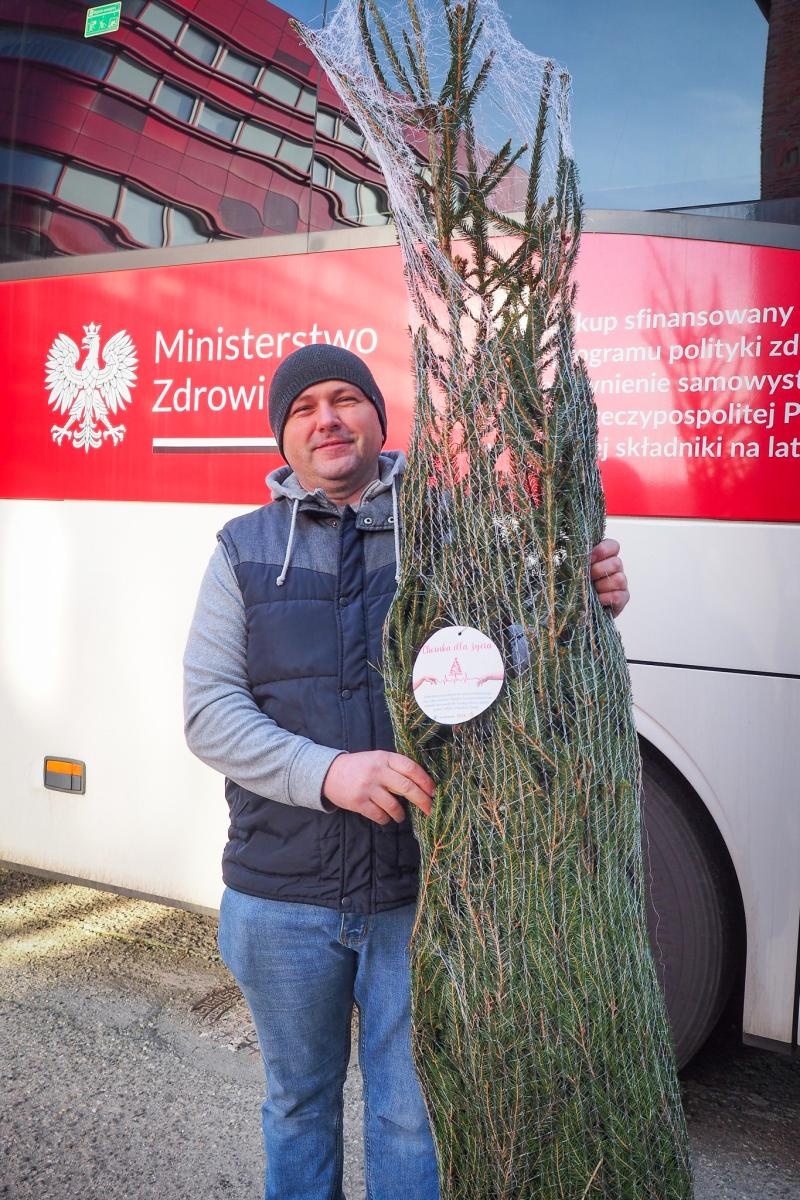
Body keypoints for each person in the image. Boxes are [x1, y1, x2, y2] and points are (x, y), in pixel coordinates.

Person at [183, 344, 630, 1200]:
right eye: (305, 406)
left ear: (378, 420)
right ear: (285, 435)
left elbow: (509, 666)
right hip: (281, 895)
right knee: (298, 1104)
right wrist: (329, 773)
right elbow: (210, 711)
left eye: (346, 398)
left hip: (416, 896)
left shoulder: (448, 532)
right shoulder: (242, 551)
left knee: (409, 1115)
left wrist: (583, 606)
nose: (327, 418)